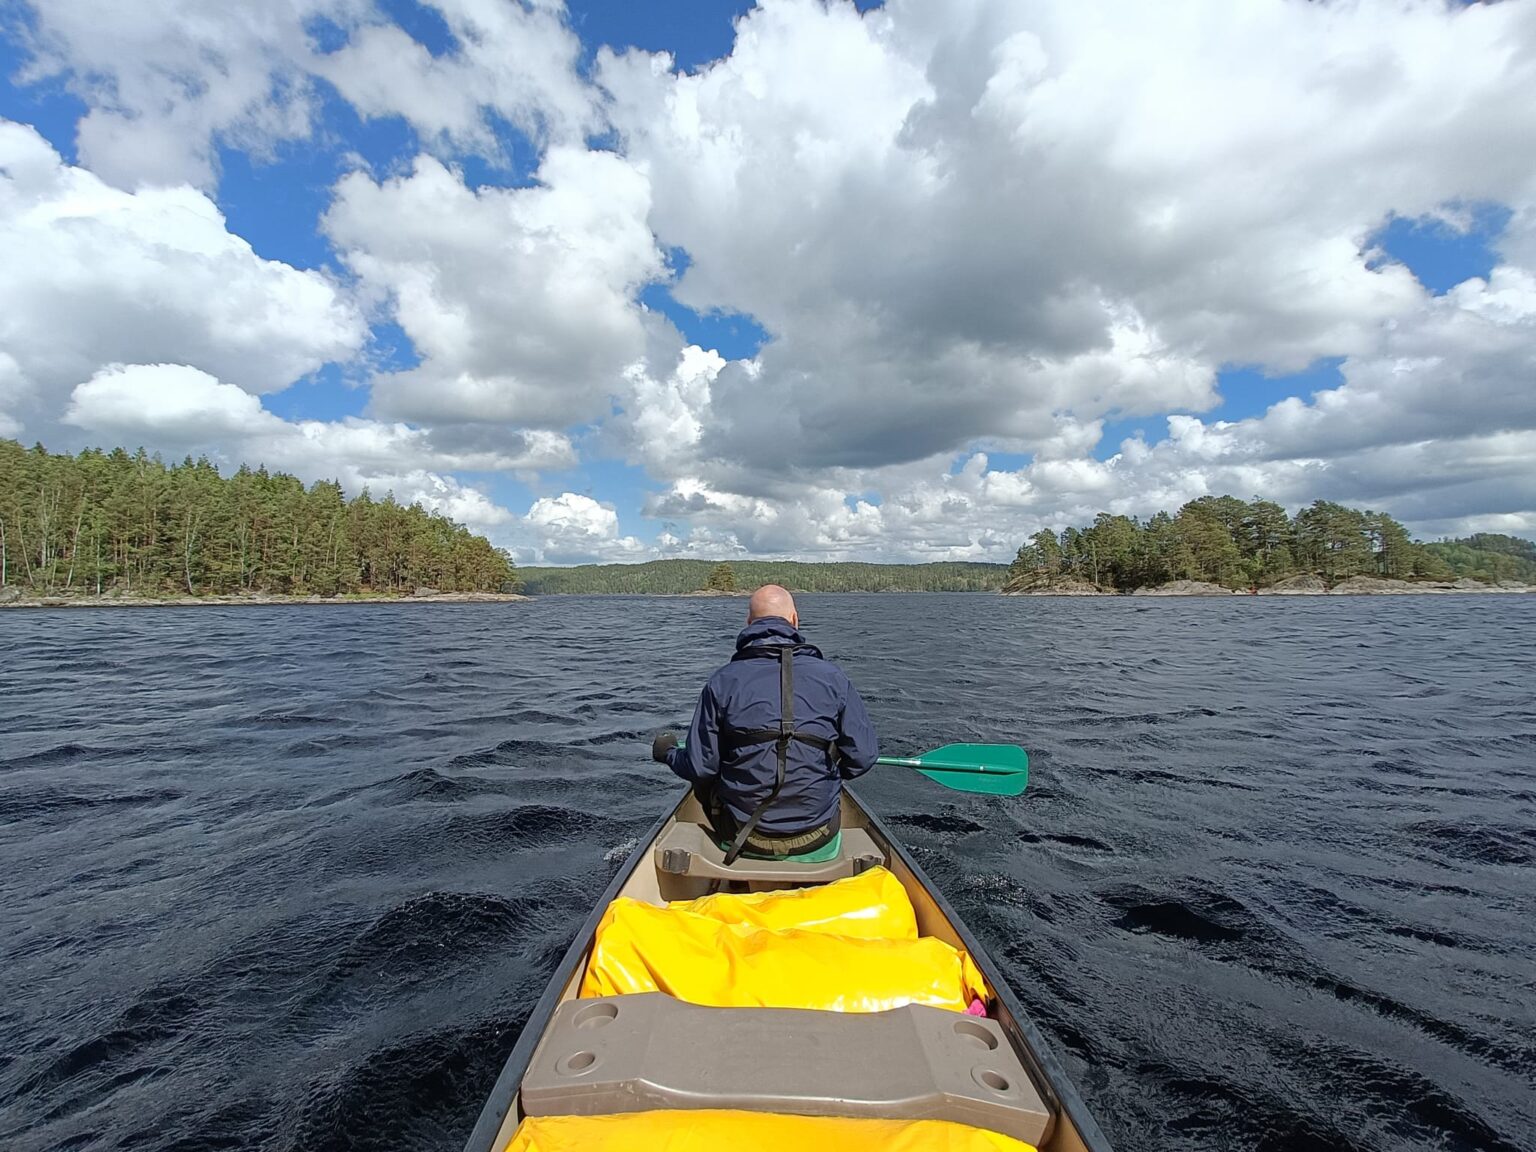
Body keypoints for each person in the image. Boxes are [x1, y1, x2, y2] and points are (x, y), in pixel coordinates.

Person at [652, 584, 878, 862]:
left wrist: (669, 754)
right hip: (819, 833)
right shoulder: (834, 678)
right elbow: (863, 758)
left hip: (744, 835)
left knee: (706, 778)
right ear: (794, 620)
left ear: (749, 623)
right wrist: (827, 769)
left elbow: (701, 767)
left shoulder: (722, 681)